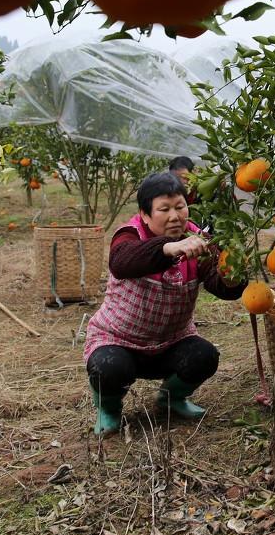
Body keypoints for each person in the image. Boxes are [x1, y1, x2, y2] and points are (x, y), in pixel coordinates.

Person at [83, 171, 242, 436]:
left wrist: (233, 269)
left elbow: (221, 287)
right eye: (164, 209)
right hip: (120, 342)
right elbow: (122, 262)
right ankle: (109, 409)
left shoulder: (198, 240)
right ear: (145, 215)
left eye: (180, 207)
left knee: (204, 356)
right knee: (108, 367)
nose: (175, 216)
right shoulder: (129, 235)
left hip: (171, 343)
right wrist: (170, 248)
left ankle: (171, 398)